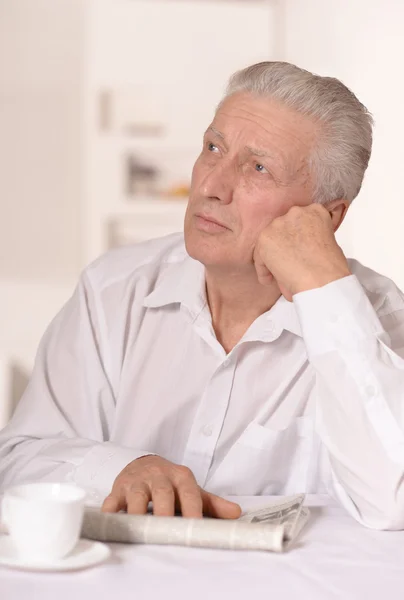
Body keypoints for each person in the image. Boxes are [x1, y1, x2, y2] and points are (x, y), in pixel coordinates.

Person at [1, 61, 404, 529]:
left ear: (328, 216)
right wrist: (121, 469)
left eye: (257, 167)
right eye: (213, 147)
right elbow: (18, 460)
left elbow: (394, 500)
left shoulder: (378, 319)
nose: (211, 185)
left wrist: (325, 293)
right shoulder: (113, 290)